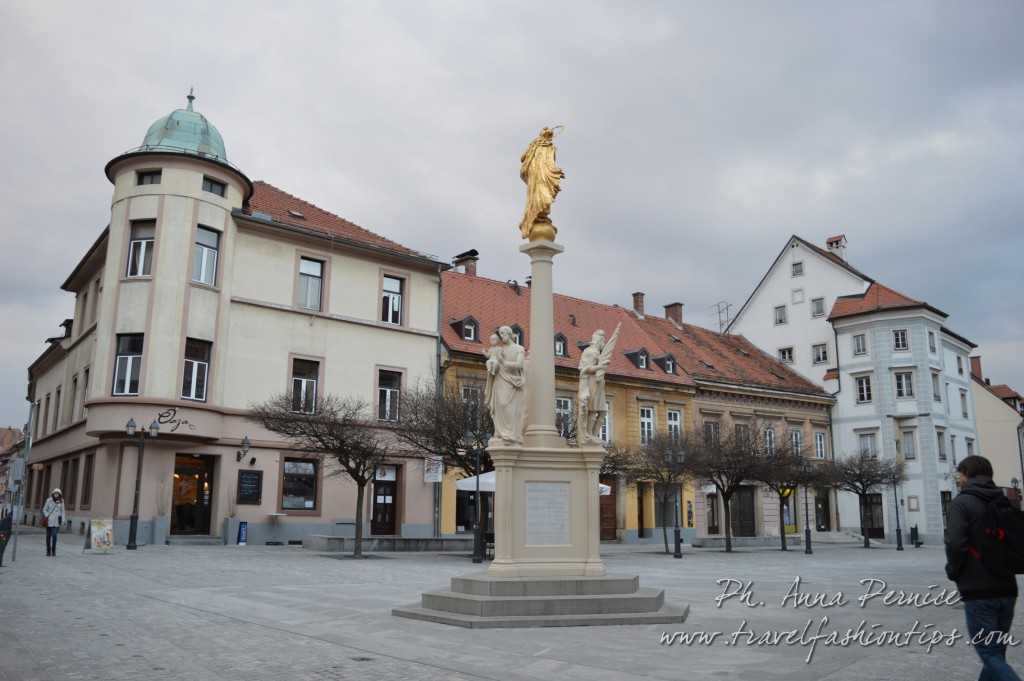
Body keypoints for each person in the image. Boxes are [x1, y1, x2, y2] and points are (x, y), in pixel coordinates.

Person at [945, 455, 1021, 681]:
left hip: (978, 588)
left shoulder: (961, 503)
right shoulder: (1004, 500)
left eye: (960, 473)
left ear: (967, 474)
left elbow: (955, 543)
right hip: (1007, 586)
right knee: (996, 653)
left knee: (989, 653)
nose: (958, 478)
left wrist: (954, 571)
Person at [42, 488, 65, 557]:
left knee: (54, 536)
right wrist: (47, 515)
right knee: (48, 537)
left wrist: (63, 520)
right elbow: (44, 509)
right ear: (53, 493)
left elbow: (62, 511)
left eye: (57, 493)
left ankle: (53, 551)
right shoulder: (49, 500)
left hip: (56, 522)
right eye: (55, 493)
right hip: (49, 521)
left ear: (59, 494)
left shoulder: (61, 501)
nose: (56, 494)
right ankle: (48, 551)